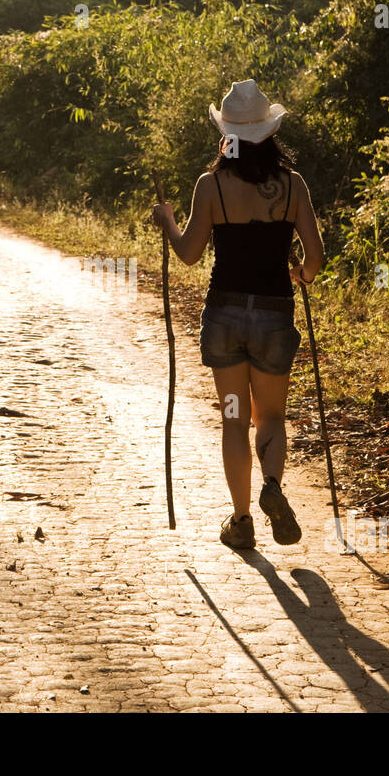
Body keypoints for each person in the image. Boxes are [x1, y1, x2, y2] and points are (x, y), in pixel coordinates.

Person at [151, 79, 323, 550]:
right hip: (273, 316)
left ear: (227, 135)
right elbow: (315, 258)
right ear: (269, 134)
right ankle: (272, 486)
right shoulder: (293, 186)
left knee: (234, 418)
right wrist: (300, 275)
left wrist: (167, 222)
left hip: (225, 316)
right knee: (270, 416)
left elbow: (188, 253)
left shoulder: (211, 186)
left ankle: (242, 520)